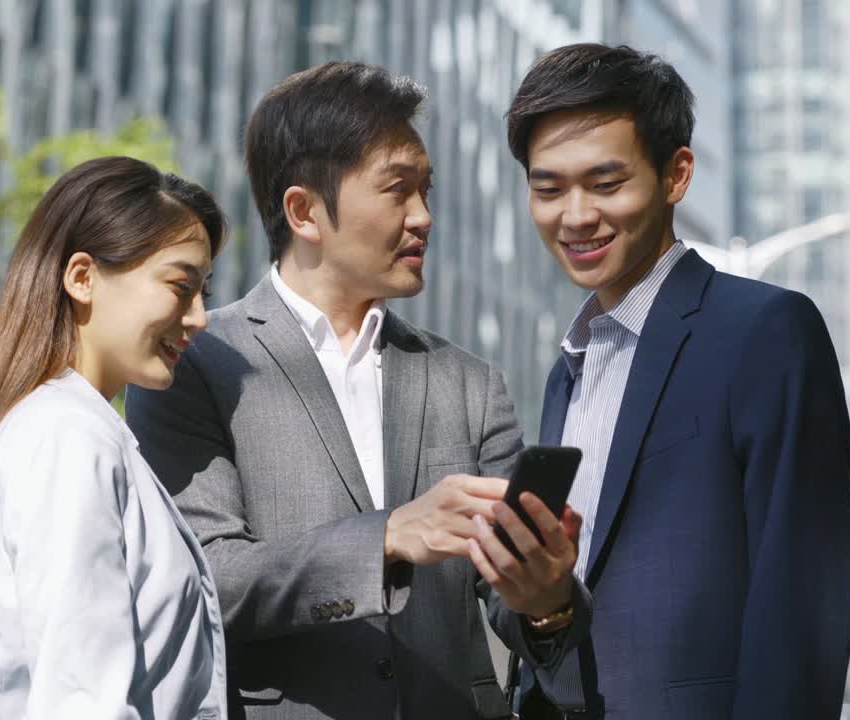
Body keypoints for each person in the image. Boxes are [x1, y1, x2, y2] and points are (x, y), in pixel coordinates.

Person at [127, 61, 589, 720]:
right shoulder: (194, 364)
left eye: (427, 190)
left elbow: (518, 617)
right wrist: (389, 537)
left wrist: (546, 600)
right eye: (398, 189)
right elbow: (206, 579)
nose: (424, 216)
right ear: (305, 211)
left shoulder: (470, 383)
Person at [504, 43, 850, 719]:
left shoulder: (766, 333)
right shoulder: (565, 373)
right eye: (548, 188)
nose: (574, 216)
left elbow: (800, 606)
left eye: (606, 184)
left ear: (677, 174)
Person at [0, 156, 229, 719]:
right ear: (82, 277)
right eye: (181, 286)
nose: (200, 317)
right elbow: (82, 698)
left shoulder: (49, 427)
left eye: (205, 290)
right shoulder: (68, 438)